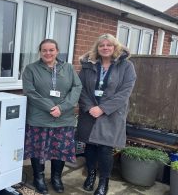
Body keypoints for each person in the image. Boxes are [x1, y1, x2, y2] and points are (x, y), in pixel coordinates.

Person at [77, 34, 136, 195]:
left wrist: (102, 108)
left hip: (111, 114)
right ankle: (90, 175)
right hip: (90, 112)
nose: (105, 48)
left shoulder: (126, 66)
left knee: (105, 149)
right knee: (89, 147)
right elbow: (79, 88)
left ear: (115, 47)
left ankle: (104, 182)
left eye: (109, 45)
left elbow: (125, 92)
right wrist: (89, 107)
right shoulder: (88, 65)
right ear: (97, 48)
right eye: (101, 45)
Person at [22, 39, 82, 194]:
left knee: (60, 150)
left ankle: (56, 177)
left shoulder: (68, 68)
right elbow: (30, 91)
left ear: (57, 51)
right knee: (37, 150)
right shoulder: (31, 69)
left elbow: (77, 87)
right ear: (40, 52)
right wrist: (50, 107)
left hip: (63, 118)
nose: (48, 53)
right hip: (39, 118)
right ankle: (38, 178)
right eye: (44, 50)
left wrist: (62, 107)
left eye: (51, 50)